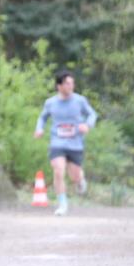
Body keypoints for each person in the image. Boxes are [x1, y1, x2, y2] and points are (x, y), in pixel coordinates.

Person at [33, 70, 97, 216]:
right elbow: (42, 118)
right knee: (58, 170)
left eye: (72, 83)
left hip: (75, 143)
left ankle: (80, 180)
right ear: (59, 86)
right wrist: (39, 129)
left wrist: (87, 125)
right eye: (67, 83)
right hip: (58, 142)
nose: (71, 86)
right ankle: (62, 204)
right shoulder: (50, 103)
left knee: (74, 176)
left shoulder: (80, 100)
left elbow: (92, 114)